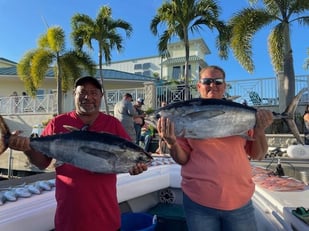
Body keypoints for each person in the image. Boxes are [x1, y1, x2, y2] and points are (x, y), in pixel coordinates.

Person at [8, 76, 147, 231]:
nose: (88, 97)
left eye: (94, 92)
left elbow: (125, 159)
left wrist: (135, 168)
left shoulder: (113, 124)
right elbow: (42, 163)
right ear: (74, 94)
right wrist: (27, 148)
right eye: (83, 92)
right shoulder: (58, 123)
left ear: (101, 96)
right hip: (68, 221)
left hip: (106, 221)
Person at [157, 65, 273, 231]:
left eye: (218, 82)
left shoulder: (241, 115)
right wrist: (171, 143)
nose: (213, 85)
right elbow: (183, 159)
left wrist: (260, 129)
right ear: (199, 86)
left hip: (239, 200)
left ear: (225, 86)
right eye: (207, 81)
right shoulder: (182, 118)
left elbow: (259, 155)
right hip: (198, 201)